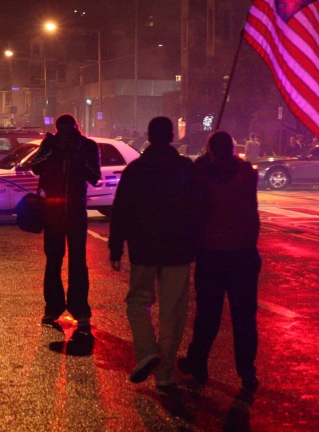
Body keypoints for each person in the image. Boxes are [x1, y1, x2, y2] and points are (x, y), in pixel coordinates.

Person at [108, 117, 206, 388]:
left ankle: (146, 350)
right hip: (178, 249)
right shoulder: (186, 168)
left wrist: (116, 245)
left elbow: (122, 210)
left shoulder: (136, 170)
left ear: (149, 136)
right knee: (172, 310)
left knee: (138, 301)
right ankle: (164, 373)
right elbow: (200, 208)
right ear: (172, 136)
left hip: (144, 247)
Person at [178, 130, 261, 399]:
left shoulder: (202, 175)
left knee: (207, 314)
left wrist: (203, 162)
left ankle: (198, 364)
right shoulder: (247, 174)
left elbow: (192, 196)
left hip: (211, 254)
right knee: (244, 317)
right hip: (244, 254)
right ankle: (247, 371)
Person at [31, 114, 101, 333]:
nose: (64, 134)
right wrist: (54, 151)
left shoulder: (87, 146)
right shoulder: (49, 144)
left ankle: (79, 309)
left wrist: (76, 155)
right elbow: (35, 167)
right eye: (61, 130)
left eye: (68, 130)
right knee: (53, 261)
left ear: (75, 129)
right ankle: (53, 307)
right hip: (53, 210)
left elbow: (94, 176)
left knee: (78, 262)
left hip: (76, 210)